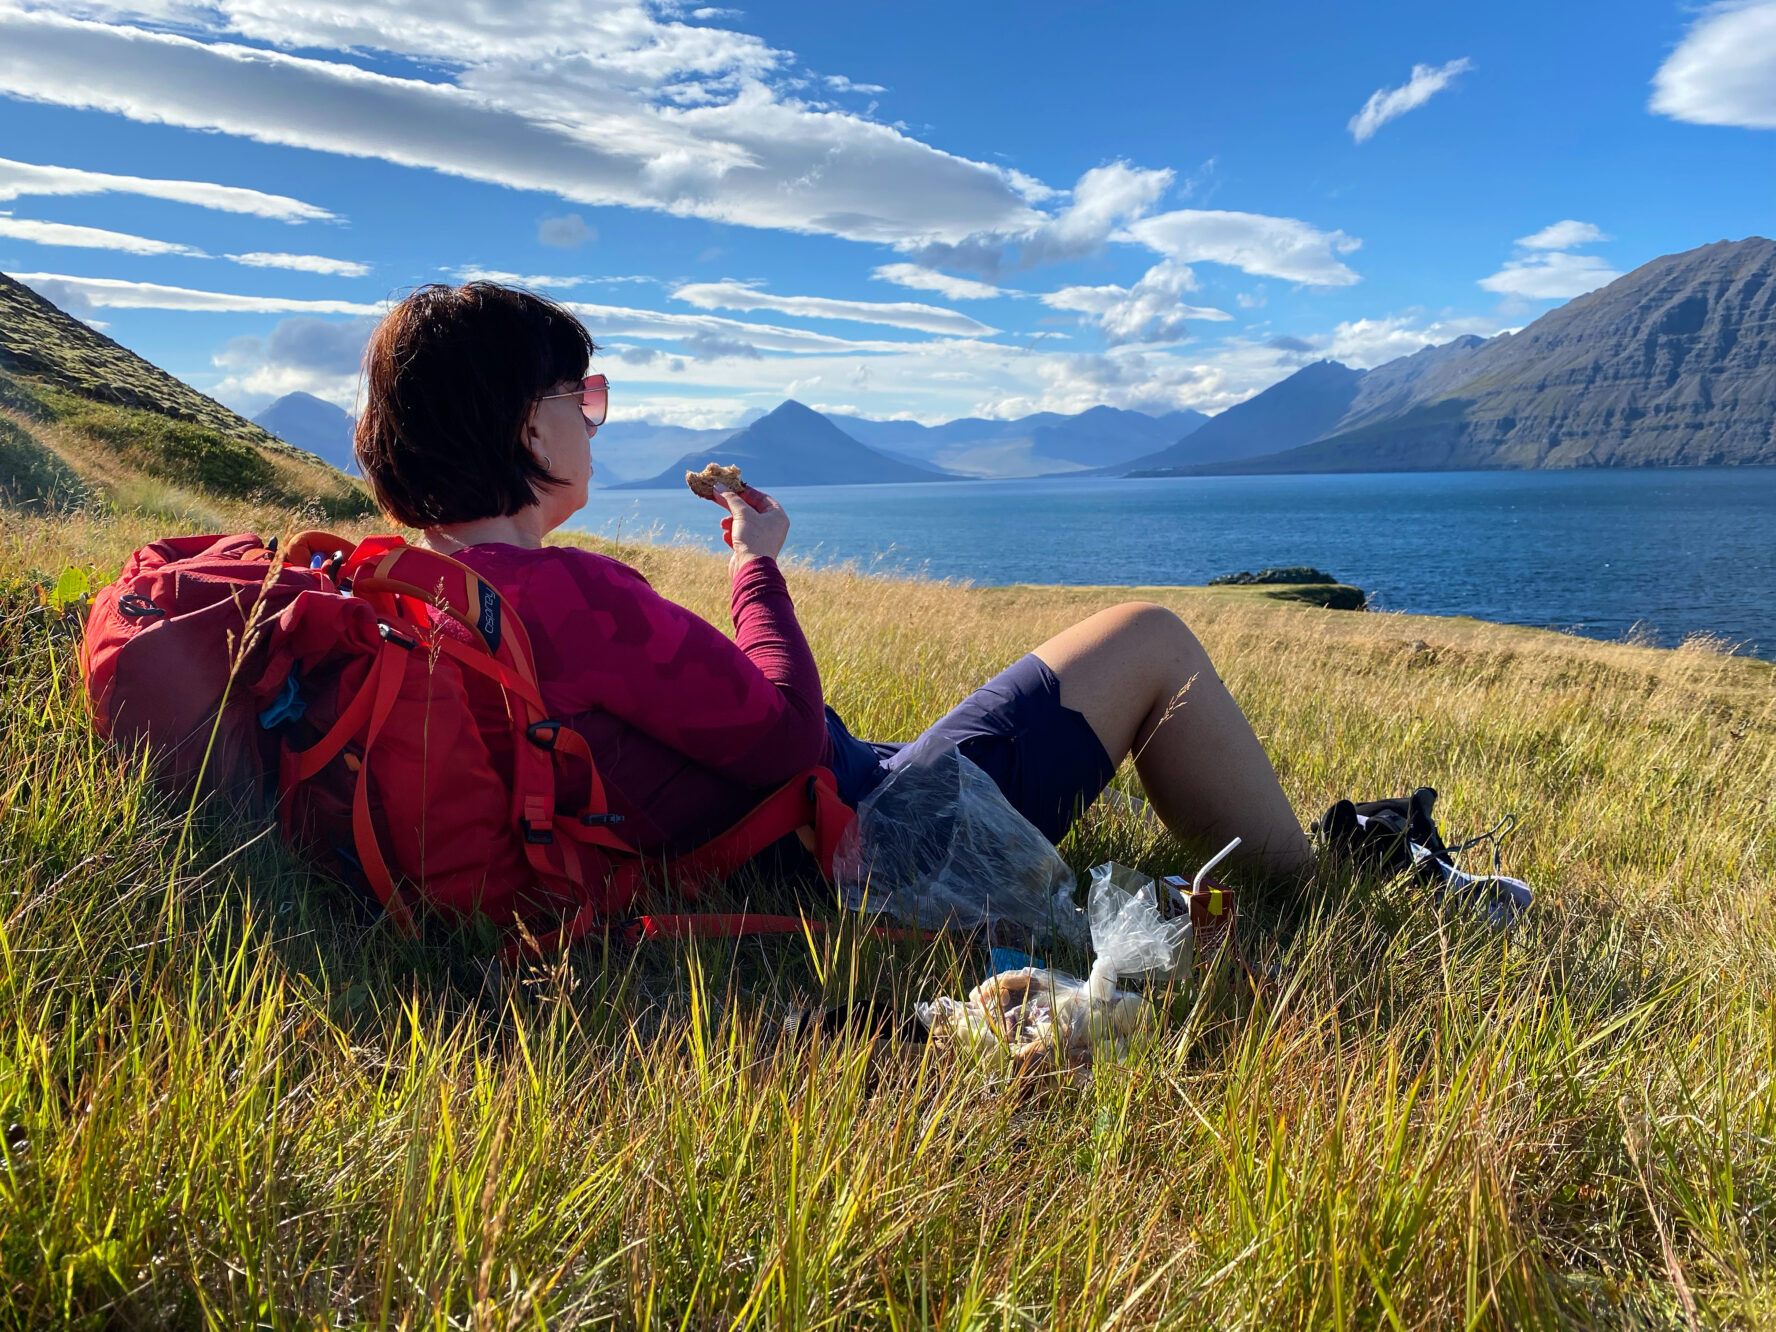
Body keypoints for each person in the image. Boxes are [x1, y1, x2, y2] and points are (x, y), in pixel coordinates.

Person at [354, 283, 1314, 877]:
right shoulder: (571, 595)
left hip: (761, 840)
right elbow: (785, 739)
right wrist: (756, 563)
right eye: (586, 398)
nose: (597, 420)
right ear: (530, 428)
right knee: (1148, 634)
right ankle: (1303, 888)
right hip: (862, 844)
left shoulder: (417, 594)